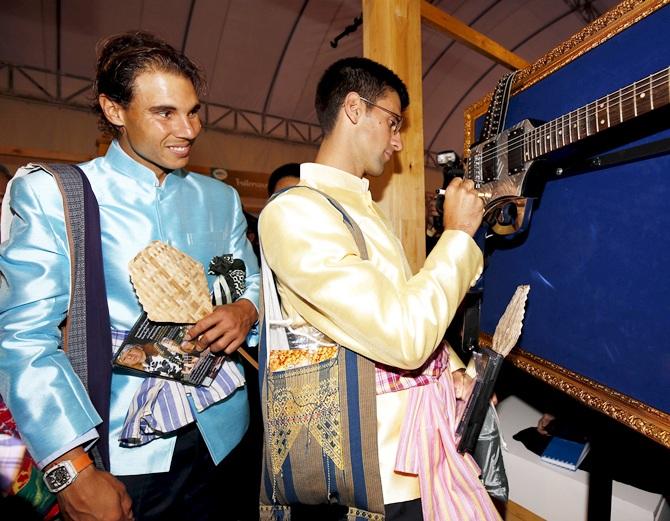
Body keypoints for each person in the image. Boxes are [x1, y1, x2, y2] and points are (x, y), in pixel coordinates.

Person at [0, 31, 260, 521]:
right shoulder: (57, 194)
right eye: (165, 113)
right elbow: (23, 340)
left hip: (225, 436)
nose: (189, 128)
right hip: (119, 448)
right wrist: (70, 467)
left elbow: (238, 276)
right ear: (114, 110)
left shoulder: (216, 199)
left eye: (194, 111)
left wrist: (243, 309)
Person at [259, 57, 500, 520]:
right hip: (372, 465)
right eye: (392, 122)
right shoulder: (295, 214)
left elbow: (401, 306)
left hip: (414, 450)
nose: (397, 140)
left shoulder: (361, 207)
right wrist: (456, 236)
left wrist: (454, 371)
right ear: (354, 108)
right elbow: (402, 337)